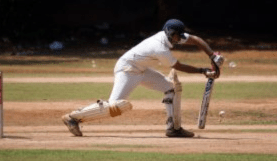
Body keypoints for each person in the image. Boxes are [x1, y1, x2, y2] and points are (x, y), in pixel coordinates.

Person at [62, 19, 224, 138]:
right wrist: (203, 71)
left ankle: (173, 128)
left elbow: (195, 39)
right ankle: (73, 118)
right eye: (176, 36)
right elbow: (178, 66)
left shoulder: (171, 35)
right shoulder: (159, 47)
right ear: (170, 33)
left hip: (142, 70)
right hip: (127, 70)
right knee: (115, 106)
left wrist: (212, 55)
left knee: (171, 88)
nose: (179, 39)